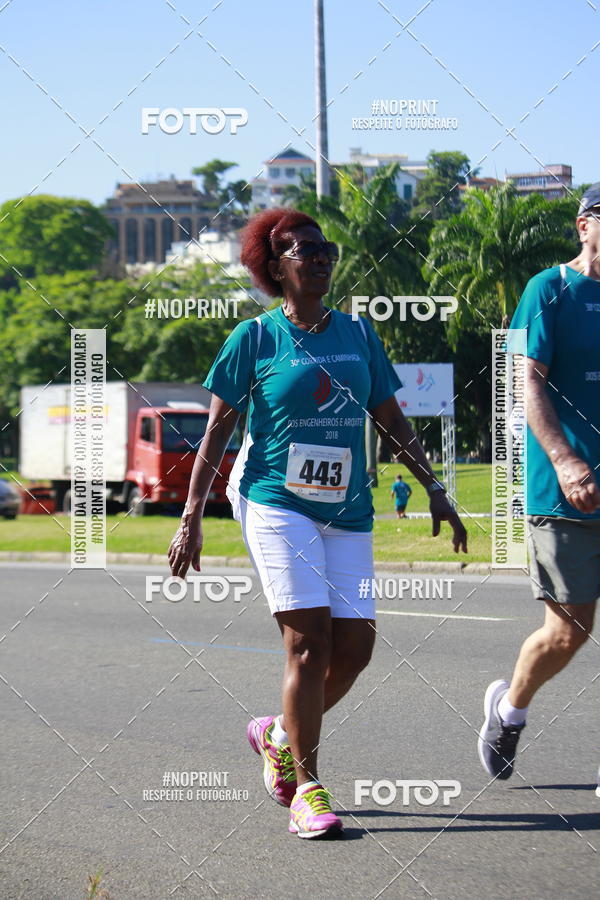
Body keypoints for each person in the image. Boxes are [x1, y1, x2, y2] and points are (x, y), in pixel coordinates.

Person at [169, 207, 468, 838]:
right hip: (278, 503)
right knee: (308, 644)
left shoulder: (360, 335)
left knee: (355, 650)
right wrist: (191, 514)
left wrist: (435, 488)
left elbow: (391, 419)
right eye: (304, 249)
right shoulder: (254, 338)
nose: (321, 256)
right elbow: (218, 434)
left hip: (349, 511)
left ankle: (278, 732)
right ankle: (307, 785)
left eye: (324, 247)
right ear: (276, 267)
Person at [478, 184, 600, 782]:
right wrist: (565, 459)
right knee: (569, 630)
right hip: (566, 491)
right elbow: (525, 382)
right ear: (584, 225)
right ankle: (510, 710)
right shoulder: (547, 290)